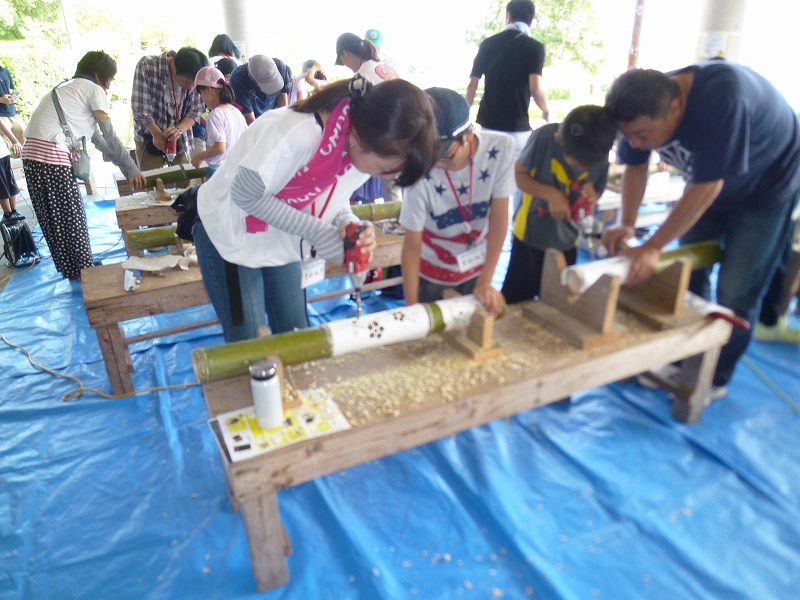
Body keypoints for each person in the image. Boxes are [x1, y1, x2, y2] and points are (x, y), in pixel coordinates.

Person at [603, 63, 800, 396]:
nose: (635, 142)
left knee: (736, 290)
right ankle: (681, 357)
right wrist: (627, 223)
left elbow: (708, 187)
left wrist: (652, 247)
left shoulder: (724, 101)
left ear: (676, 109)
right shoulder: (643, 107)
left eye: (642, 134)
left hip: (766, 189)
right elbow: (636, 166)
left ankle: (712, 377)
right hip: (710, 182)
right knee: (686, 273)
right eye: (628, 135)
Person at [194, 76, 439, 342]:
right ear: (358, 138)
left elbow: (333, 195)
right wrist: (321, 234)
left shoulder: (360, 142)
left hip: (279, 238)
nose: (387, 178)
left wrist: (346, 223)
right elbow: (245, 193)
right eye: (385, 170)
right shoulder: (296, 134)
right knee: (248, 342)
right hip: (230, 233)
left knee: (295, 330)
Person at [22, 51, 146, 281]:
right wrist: (132, 169)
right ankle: (84, 271)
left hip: (32, 156)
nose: (109, 87)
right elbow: (109, 135)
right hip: (51, 158)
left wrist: (124, 165)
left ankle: (75, 269)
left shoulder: (67, 88)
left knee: (54, 219)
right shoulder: (93, 89)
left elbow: (98, 140)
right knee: (71, 216)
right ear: (99, 76)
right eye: (109, 80)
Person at [400, 88, 514, 315]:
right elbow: (412, 246)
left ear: (468, 136)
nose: (436, 165)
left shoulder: (500, 149)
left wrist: (486, 279)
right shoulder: (418, 171)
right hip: (432, 272)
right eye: (429, 157)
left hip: (477, 269)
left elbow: (499, 218)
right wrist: (411, 310)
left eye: (445, 156)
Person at [501, 105, 617, 304]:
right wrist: (551, 195)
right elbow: (516, 174)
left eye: (586, 166)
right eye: (576, 165)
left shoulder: (599, 150)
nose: (582, 169)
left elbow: (598, 188)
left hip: (568, 238)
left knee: (558, 296)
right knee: (517, 297)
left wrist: (592, 196)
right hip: (530, 233)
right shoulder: (544, 138)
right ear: (559, 141)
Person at [466, 0, 550, 155]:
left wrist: (464, 113)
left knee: (487, 173)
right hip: (517, 127)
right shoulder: (534, 47)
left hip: (488, 125)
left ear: (509, 16)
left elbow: (472, 84)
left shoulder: (487, 44)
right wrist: (546, 110)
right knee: (516, 175)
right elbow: (535, 88)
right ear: (530, 22)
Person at [131, 46, 208, 171]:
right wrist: (156, 133)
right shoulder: (147, 66)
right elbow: (139, 107)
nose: (191, 88)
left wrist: (179, 130)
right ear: (175, 68)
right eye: (187, 82)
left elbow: (196, 110)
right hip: (149, 136)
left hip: (181, 139)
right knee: (152, 180)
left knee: (184, 180)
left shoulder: (195, 76)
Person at [190, 66, 246, 178]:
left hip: (219, 171)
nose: (201, 98)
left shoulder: (215, 115)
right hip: (236, 167)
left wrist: (200, 156)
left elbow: (220, 147)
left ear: (208, 89)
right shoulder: (236, 111)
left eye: (201, 93)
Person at [229, 55, 292, 125]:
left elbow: (282, 98)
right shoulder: (237, 80)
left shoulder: (280, 67)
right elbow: (250, 120)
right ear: (252, 78)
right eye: (267, 85)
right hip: (256, 120)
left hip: (274, 116)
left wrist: (282, 123)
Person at [0, 62, 25, 153]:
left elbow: (10, 90)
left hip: (12, 112)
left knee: (26, 137)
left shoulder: (5, 71)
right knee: (7, 143)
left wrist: (13, 97)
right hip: (1, 115)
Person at [0, 118, 21, 221]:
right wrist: (15, 141)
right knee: (8, 180)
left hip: (2, 151)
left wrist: (15, 141)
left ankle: (9, 213)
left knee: (3, 183)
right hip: (2, 151)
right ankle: (13, 211)